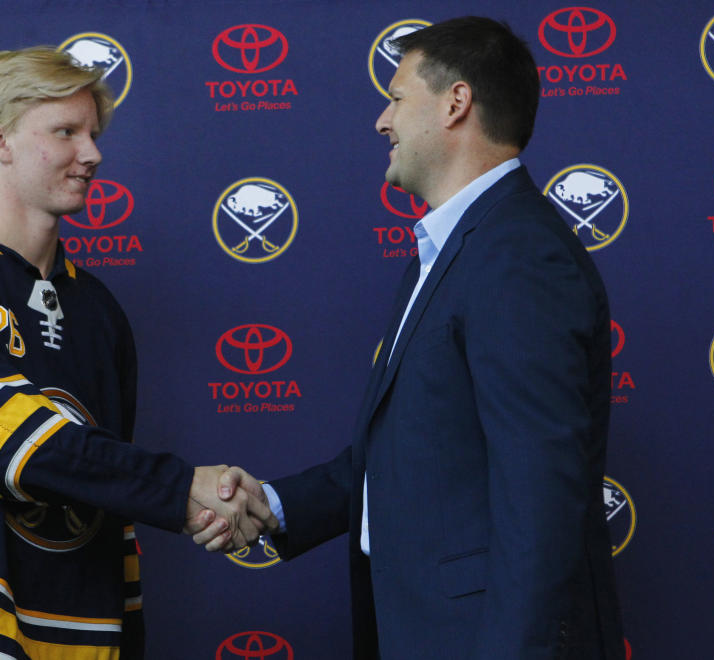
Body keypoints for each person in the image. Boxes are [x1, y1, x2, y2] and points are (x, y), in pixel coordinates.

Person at [195, 16, 623, 659]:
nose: (381, 121)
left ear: (456, 103)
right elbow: (419, 452)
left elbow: (541, 496)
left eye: (395, 98)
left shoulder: (518, 258)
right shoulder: (457, 252)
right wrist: (275, 506)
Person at [0, 46, 273, 659]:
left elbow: (103, 478)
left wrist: (189, 507)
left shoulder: (100, 312)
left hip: (76, 636)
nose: (92, 154)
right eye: (65, 131)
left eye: (91, 134)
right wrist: (179, 488)